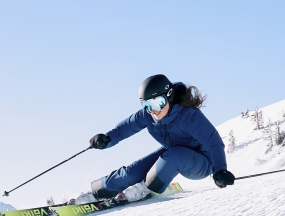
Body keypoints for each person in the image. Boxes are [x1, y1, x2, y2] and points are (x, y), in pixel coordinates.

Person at [87, 74, 236, 198]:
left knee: (174, 156)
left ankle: (146, 189)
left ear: (169, 97)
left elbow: (213, 142)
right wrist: (107, 139)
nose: (153, 110)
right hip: (173, 152)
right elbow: (125, 128)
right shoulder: (148, 115)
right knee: (133, 171)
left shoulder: (188, 116)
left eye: (158, 103)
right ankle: (98, 192)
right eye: (147, 105)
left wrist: (220, 170)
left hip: (202, 162)